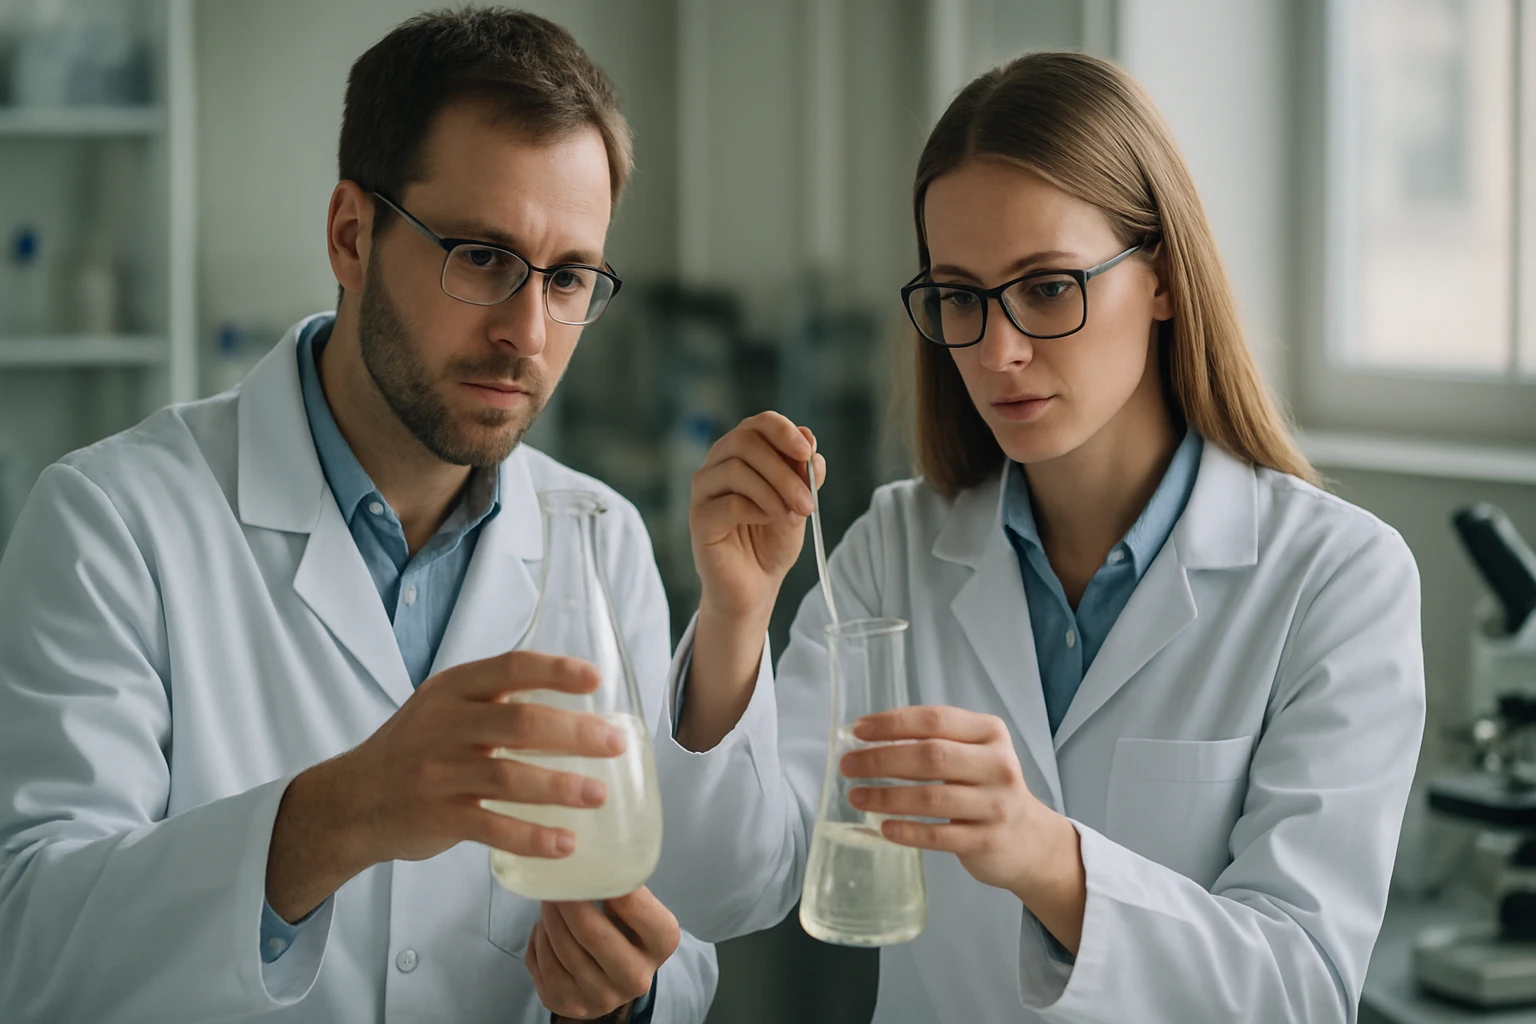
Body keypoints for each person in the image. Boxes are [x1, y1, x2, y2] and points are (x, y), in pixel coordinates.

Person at [648, 51, 1425, 1022]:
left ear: (1164, 279)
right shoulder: (897, 549)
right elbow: (724, 889)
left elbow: (1298, 989)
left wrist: (1044, 855)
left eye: (1048, 286)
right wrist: (733, 616)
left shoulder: (1338, 576)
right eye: (960, 296)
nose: (998, 349)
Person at [0, 10, 713, 1023]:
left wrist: (625, 996)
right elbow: (28, 948)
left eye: (567, 279)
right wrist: (345, 814)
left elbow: (677, 933)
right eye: (481, 256)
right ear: (350, 235)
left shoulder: (597, 536)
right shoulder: (112, 523)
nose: (528, 332)